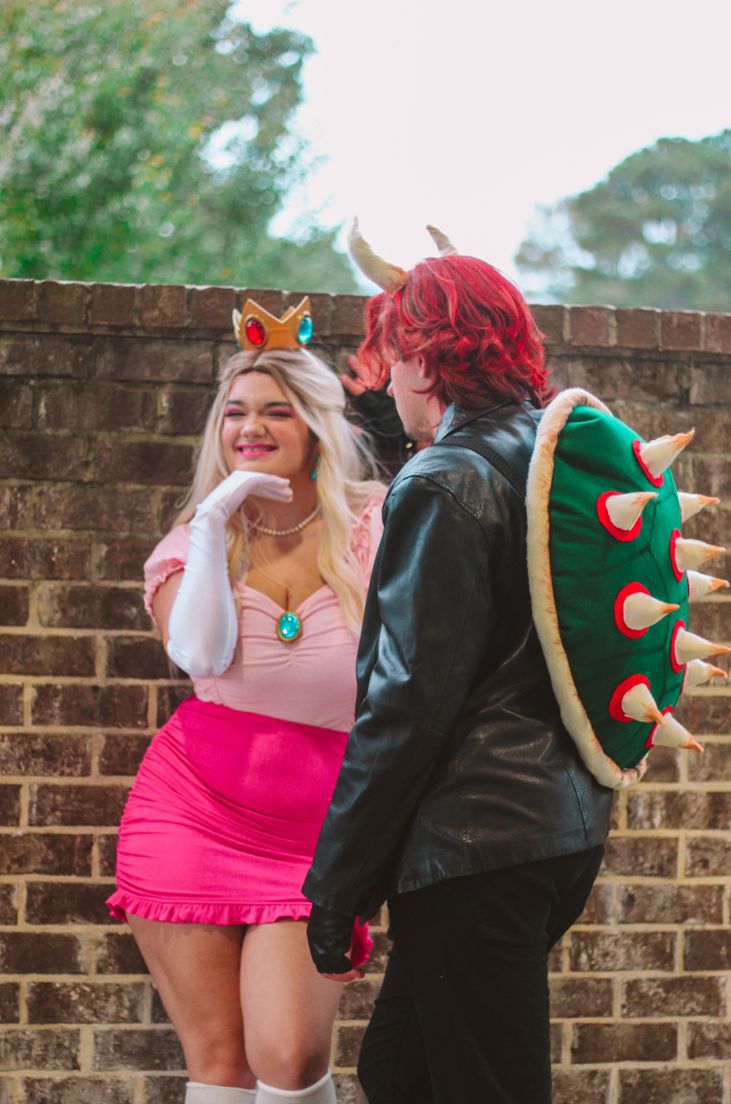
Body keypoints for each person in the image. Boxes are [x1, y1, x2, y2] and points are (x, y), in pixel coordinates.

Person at [303, 229, 614, 1104]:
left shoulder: (445, 480)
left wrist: (337, 886)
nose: (384, 380)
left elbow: (406, 703)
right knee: (401, 1070)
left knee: (483, 1086)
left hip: (475, 841)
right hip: (556, 831)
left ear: (427, 361)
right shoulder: (545, 457)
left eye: (395, 358)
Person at [106, 296, 385, 1104]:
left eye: (275, 411)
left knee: (289, 1056)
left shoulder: (378, 525)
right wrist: (216, 517)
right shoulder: (196, 539)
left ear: (315, 424)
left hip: (319, 829)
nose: (249, 429)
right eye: (234, 413)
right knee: (221, 1063)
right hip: (190, 809)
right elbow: (198, 654)